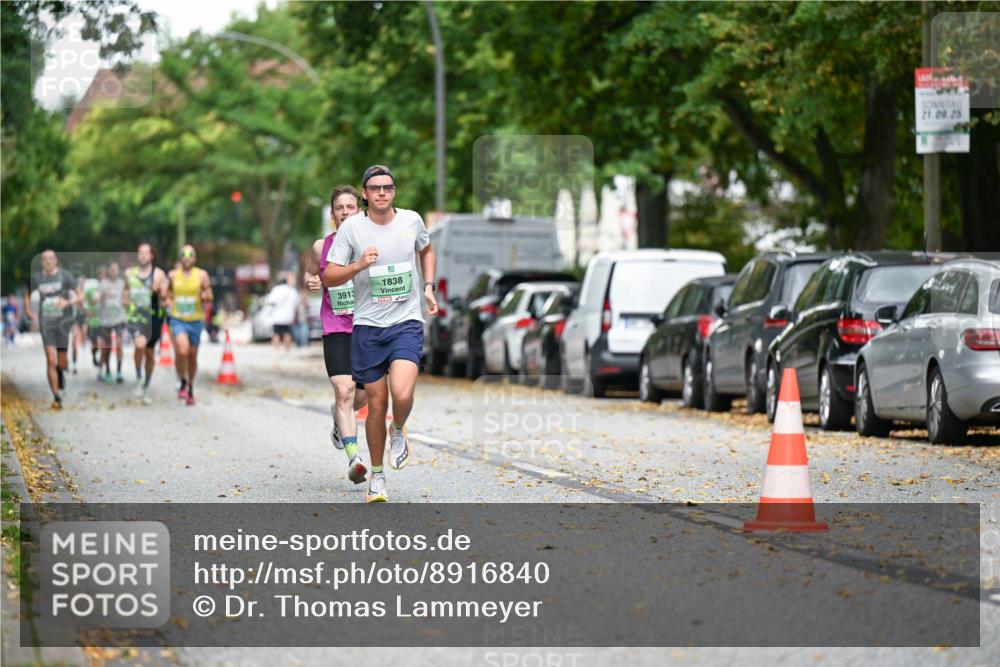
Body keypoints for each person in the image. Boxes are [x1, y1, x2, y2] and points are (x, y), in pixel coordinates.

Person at [325, 166, 438, 502]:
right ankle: (377, 477)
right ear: (365, 193)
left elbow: (426, 249)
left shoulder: (411, 220)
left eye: (387, 187)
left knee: (401, 395)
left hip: (405, 322)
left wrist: (428, 286)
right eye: (375, 188)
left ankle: (399, 429)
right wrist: (358, 265)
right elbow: (330, 275)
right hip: (369, 328)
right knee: (376, 405)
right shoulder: (352, 229)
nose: (382, 193)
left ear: (394, 191)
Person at [305, 185, 369, 486]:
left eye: (350, 207)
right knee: (343, 390)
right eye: (339, 208)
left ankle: (338, 420)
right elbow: (310, 272)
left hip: (368, 326)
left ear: (359, 211)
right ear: (332, 214)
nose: (345, 212)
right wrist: (312, 281)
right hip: (335, 328)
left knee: (363, 394)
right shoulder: (322, 246)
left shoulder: (371, 244)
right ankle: (355, 457)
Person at [25, 250, 78, 409]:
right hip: (46, 323)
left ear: (56, 261)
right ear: (42, 262)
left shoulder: (65, 276)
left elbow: (78, 295)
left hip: (62, 323)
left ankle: (60, 372)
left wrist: (67, 303)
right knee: (50, 358)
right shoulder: (37, 278)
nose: (48, 261)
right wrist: (28, 311)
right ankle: (56, 396)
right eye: (45, 259)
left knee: (61, 361)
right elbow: (27, 294)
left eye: (51, 258)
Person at [166, 245, 213, 406]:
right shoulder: (173, 275)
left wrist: (204, 295)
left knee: (192, 355)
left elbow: (209, 295)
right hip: (178, 319)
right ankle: (183, 381)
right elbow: (168, 294)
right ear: (180, 258)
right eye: (184, 255)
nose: (187, 257)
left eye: (190, 255)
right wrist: (168, 302)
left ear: (195, 258)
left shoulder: (201, 275)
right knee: (183, 350)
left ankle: (190, 386)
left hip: (195, 320)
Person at [124, 243, 168, 404]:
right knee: (139, 345)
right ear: (137, 256)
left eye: (146, 253)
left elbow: (165, 296)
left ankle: (147, 384)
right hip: (136, 317)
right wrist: (125, 304)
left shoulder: (159, 274)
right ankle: (138, 378)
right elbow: (126, 292)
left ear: (151, 256)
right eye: (140, 253)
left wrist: (160, 290)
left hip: (154, 316)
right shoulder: (129, 273)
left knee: (149, 353)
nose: (143, 256)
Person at [98, 261, 127, 384]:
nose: (114, 272)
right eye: (112, 270)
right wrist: (101, 297)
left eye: (116, 270)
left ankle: (119, 371)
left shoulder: (122, 284)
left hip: (119, 318)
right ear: (108, 271)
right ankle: (108, 370)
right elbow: (94, 300)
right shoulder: (103, 284)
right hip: (106, 320)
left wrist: (127, 301)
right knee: (107, 347)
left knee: (119, 343)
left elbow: (127, 299)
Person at [265, 272, 299, 352]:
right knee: (287, 333)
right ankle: (287, 350)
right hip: (288, 316)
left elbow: (270, 300)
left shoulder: (276, 289)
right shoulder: (292, 291)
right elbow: (296, 303)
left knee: (276, 334)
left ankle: (276, 350)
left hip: (277, 316)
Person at [81, 266, 104, 375]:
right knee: (95, 344)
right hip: (92, 321)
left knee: (102, 343)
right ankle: (94, 356)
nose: (102, 277)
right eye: (100, 275)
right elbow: (85, 303)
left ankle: (102, 368)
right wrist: (87, 312)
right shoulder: (91, 290)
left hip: (104, 321)